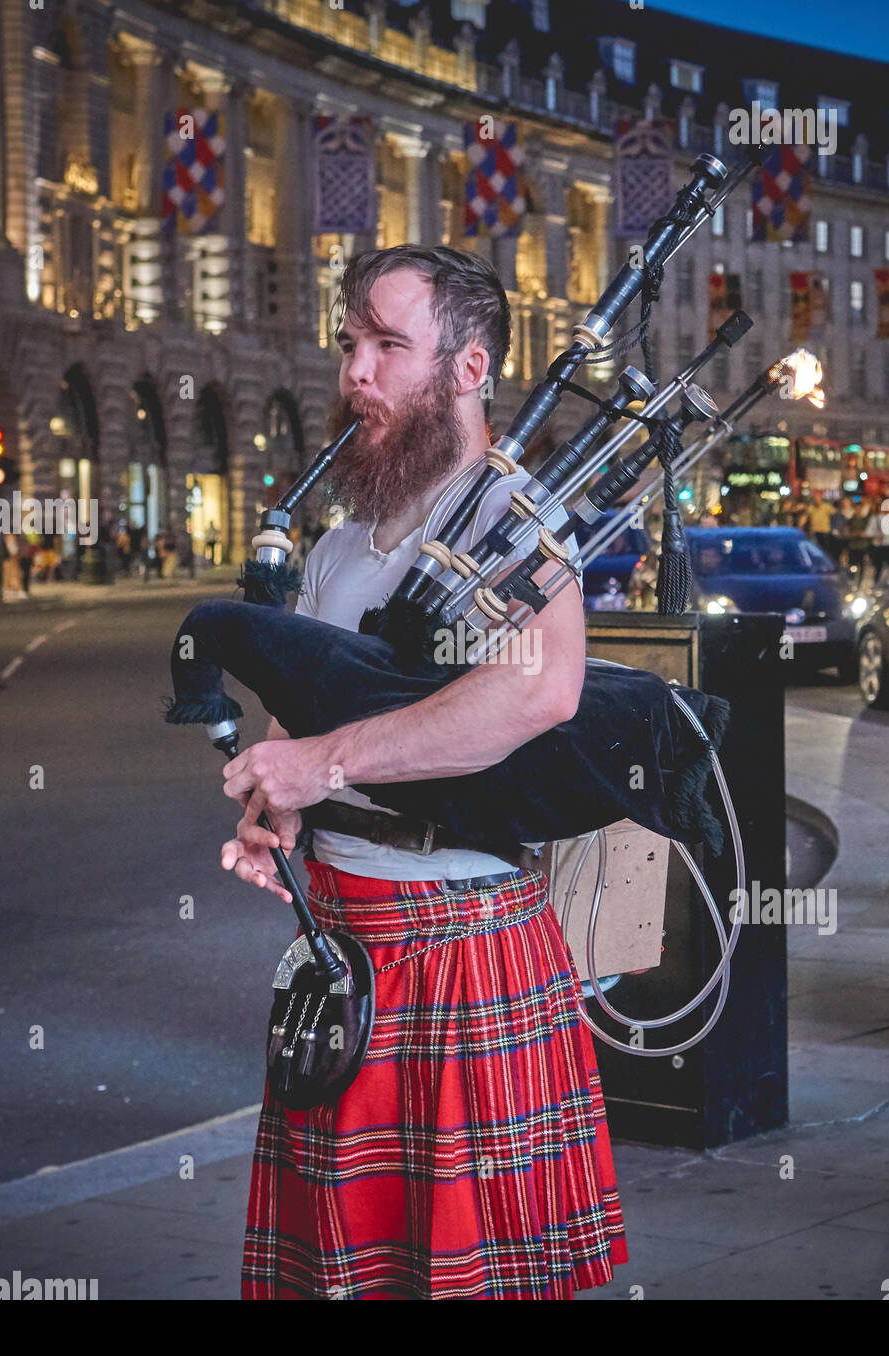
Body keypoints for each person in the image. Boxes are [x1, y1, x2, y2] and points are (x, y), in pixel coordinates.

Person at [218, 244, 627, 1300]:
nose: (355, 371)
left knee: (473, 1276)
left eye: (388, 344)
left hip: (465, 940)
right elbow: (300, 714)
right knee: (349, 1274)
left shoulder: (515, 518)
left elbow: (537, 691)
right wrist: (278, 809)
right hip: (343, 941)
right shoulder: (338, 547)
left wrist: (327, 760)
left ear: (466, 367)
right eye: (351, 343)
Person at [806, 489, 835, 558]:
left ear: (821, 497)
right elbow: (805, 517)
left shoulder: (827, 507)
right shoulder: (811, 507)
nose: (816, 499)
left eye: (817, 497)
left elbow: (835, 516)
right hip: (814, 531)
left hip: (824, 531)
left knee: (825, 550)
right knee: (815, 550)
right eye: (814, 497)